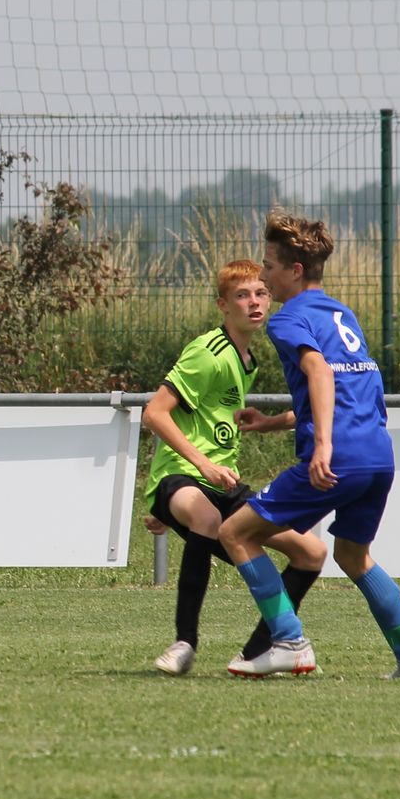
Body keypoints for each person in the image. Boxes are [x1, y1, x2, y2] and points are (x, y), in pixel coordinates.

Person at [217, 208, 400, 680]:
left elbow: (318, 372)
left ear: (294, 270)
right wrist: (273, 422)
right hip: (377, 454)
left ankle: (289, 642)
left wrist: (322, 448)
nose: (263, 277)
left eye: (268, 266)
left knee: (235, 533)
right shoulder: (341, 314)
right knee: (353, 556)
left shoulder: (287, 320)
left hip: (339, 458)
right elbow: (344, 391)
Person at [140, 258, 326, 675]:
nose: (254, 302)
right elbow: (155, 414)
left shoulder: (248, 361)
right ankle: (184, 643)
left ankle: (260, 649)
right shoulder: (208, 352)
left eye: (261, 293)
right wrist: (200, 468)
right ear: (223, 305)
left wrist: (265, 425)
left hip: (222, 483)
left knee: (311, 552)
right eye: (242, 295)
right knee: (205, 517)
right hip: (181, 474)